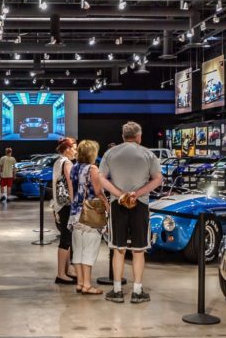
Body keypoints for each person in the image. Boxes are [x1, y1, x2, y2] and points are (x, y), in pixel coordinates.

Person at [99, 121, 163, 304]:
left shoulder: (110, 153)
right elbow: (158, 179)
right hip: (140, 205)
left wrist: (120, 195)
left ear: (123, 136)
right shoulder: (148, 154)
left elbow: (101, 178)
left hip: (117, 205)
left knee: (118, 249)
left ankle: (117, 290)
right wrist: (137, 193)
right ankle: (137, 291)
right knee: (138, 250)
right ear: (139, 136)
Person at [69, 140, 108, 295]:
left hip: (75, 213)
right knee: (89, 250)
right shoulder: (93, 169)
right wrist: (107, 205)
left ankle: (79, 283)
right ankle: (87, 285)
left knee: (78, 250)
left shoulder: (74, 167)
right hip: (90, 213)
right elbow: (98, 192)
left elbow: (73, 188)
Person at [52, 137, 77, 285]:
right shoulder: (66, 163)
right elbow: (71, 184)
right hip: (66, 205)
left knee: (66, 240)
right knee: (66, 240)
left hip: (59, 205)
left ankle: (65, 271)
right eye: (74, 148)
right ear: (67, 149)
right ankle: (61, 274)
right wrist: (75, 203)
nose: (76, 151)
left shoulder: (58, 161)